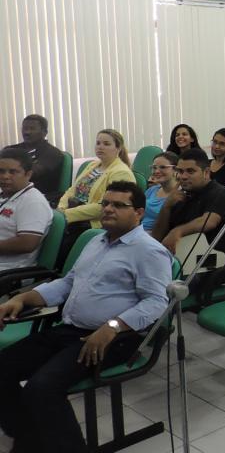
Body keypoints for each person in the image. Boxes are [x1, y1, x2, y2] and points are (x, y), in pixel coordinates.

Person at [0, 181, 172, 453]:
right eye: (106, 203)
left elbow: (156, 302)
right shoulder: (97, 241)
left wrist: (112, 326)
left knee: (42, 388)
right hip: (71, 329)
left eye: (119, 205)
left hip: (116, 338)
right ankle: (28, 438)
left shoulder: (149, 251)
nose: (109, 209)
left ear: (139, 213)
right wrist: (23, 299)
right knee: (3, 367)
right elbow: (68, 282)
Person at [151, 148, 225, 266]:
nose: (183, 176)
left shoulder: (221, 194)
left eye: (190, 171)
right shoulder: (181, 195)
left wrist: (178, 231)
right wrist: (166, 207)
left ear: (206, 172)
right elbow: (156, 237)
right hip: (178, 258)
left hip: (209, 264)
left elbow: (209, 222)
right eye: (180, 171)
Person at [58, 129, 134, 230]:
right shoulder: (92, 165)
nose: (100, 147)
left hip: (93, 222)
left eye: (106, 144)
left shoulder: (121, 173)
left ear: (118, 148)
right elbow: (72, 190)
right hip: (72, 213)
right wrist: (61, 209)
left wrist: (66, 215)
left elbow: (105, 206)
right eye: (98, 143)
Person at [0, 148, 53, 271]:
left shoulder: (33, 202)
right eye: (1, 171)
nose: (5, 176)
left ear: (28, 174)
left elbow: (27, 243)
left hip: (9, 270)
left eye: (13, 172)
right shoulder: (4, 193)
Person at [6, 115, 64, 204]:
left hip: (36, 198)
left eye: (32, 129)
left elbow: (32, 173)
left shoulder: (52, 153)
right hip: (8, 195)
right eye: (25, 128)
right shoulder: (10, 150)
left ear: (44, 132)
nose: (27, 132)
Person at [142, 152, 178, 232]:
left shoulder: (179, 195)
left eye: (163, 167)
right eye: (154, 168)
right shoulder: (151, 190)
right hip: (139, 231)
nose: (157, 171)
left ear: (175, 169)